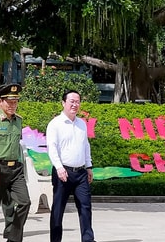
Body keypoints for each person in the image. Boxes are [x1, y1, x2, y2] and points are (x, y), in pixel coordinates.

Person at [0, 83, 31, 242]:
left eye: (15, 101)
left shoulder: (18, 120)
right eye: (9, 101)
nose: (12, 105)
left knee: (25, 202)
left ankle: (14, 238)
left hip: (15, 169)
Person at [46, 90, 95, 242]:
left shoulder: (81, 123)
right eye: (71, 101)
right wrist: (59, 167)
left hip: (80, 173)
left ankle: (88, 239)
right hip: (63, 172)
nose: (75, 104)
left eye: (77, 101)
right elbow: (51, 148)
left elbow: (85, 146)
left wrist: (89, 166)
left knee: (85, 207)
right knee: (58, 209)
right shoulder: (55, 124)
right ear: (63, 103)